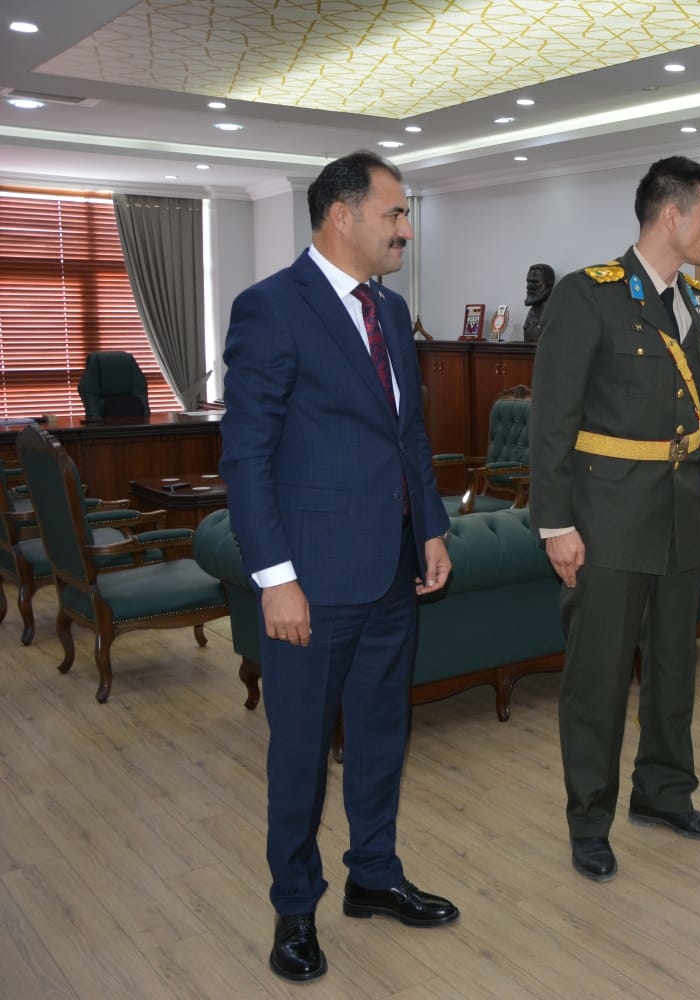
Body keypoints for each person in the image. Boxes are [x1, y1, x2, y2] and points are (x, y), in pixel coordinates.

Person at [219, 150, 458, 982]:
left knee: (384, 734)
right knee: (300, 753)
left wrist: (430, 528)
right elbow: (246, 456)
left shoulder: (389, 310)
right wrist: (274, 577)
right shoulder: (270, 308)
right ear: (341, 216)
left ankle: (375, 876)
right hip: (311, 583)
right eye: (395, 213)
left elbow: (408, 433)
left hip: (392, 567)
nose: (406, 229)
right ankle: (294, 909)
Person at [529, 155, 700, 883]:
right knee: (599, 680)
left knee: (675, 669)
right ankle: (590, 821)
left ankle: (665, 794)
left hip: (680, 517)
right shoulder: (589, 295)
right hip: (607, 521)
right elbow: (553, 418)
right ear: (671, 216)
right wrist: (555, 524)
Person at [522, 262, 556, 342]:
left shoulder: (552, 313)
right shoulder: (532, 312)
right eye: (528, 281)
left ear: (549, 284)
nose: (529, 286)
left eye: (535, 282)